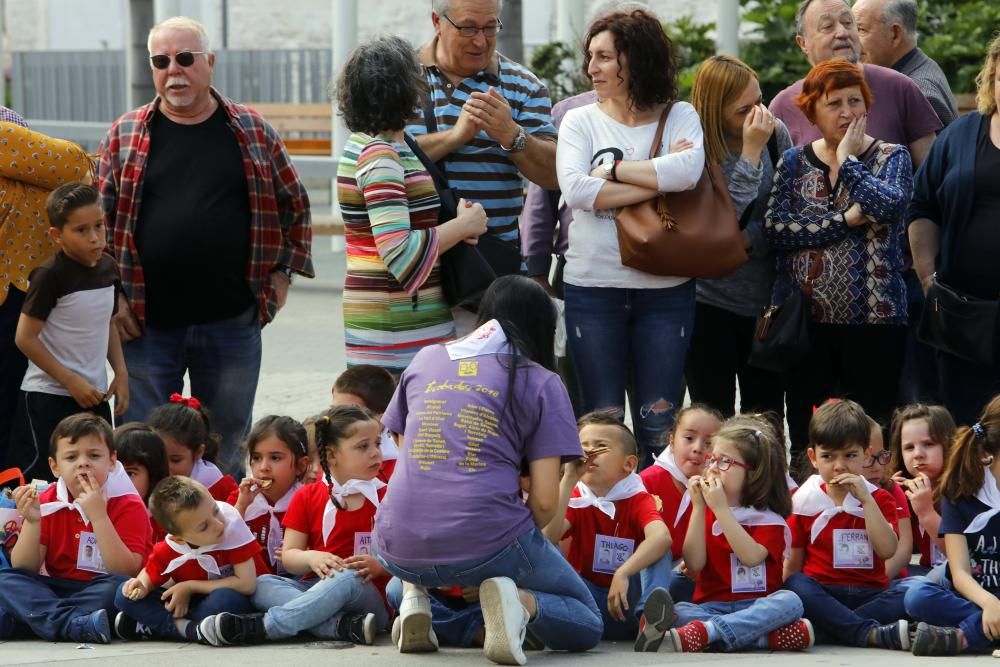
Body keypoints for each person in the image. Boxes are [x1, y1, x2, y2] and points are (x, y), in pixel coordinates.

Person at [98, 16, 314, 479]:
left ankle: (228, 538)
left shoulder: (252, 130)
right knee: (141, 445)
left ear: (209, 63)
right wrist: (111, 294)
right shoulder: (124, 134)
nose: (173, 71)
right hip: (144, 324)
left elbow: (294, 203)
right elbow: (101, 222)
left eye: (185, 58)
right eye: (161, 61)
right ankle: (145, 541)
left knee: (230, 443)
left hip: (231, 321)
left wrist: (282, 276)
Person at [373, 275, 602, 664]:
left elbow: (402, 443)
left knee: (403, 583)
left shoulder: (426, 358)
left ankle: (414, 597)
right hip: (488, 540)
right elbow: (545, 504)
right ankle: (520, 603)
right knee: (586, 620)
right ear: (541, 328)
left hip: (396, 545)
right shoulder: (542, 381)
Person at [556, 8, 705, 465]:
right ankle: (598, 523)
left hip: (665, 291)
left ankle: (658, 519)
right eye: (591, 57)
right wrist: (654, 179)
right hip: (592, 289)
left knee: (658, 423)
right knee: (600, 422)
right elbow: (576, 189)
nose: (592, 68)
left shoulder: (679, 114)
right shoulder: (579, 121)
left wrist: (614, 170)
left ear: (634, 61)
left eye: (604, 57)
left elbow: (689, 173)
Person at [764, 60, 913, 455]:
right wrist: (847, 219)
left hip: (875, 322)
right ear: (812, 110)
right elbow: (777, 230)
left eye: (855, 101)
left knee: (874, 431)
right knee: (806, 433)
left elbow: (887, 207)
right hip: (805, 324)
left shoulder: (892, 157)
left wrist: (848, 162)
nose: (847, 112)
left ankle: (878, 508)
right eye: (835, 103)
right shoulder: (794, 161)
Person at [336, 35, 488, 375]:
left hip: (397, 318)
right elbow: (399, 254)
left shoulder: (376, 144)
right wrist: (464, 225)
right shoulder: (381, 155)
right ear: (404, 88)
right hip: (397, 326)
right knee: (403, 422)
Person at [410, 0, 558, 334]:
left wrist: (512, 135)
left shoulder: (525, 86)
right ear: (437, 20)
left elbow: (552, 174)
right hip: (414, 276)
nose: (480, 40)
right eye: (468, 28)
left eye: (490, 27)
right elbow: (382, 157)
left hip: (489, 279)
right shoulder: (401, 80)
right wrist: (456, 136)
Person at [202, 406, 390, 647]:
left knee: (346, 577)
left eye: (377, 443)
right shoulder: (308, 496)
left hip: (366, 591)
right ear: (331, 456)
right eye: (363, 446)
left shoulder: (388, 497)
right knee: (262, 584)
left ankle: (263, 627)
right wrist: (312, 558)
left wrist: (380, 567)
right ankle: (341, 626)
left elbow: (408, 560)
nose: (376, 453)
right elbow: (290, 556)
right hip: (313, 585)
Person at [685, 55, 792, 419]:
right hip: (707, 303)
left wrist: (746, 240)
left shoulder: (776, 135)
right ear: (714, 111)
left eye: (760, 100)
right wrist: (749, 154)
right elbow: (712, 222)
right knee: (711, 417)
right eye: (743, 109)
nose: (758, 114)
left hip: (764, 306)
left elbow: (787, 212)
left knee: (764, 419)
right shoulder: (692, 148)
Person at [650, 422, 811, 653]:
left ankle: (709, 633)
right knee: (681, 611)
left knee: (790, 601)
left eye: (724, 461)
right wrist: (698, 508)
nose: (713, 468)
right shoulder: (706, 511)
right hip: (712, 606)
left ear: (753, 472)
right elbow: (694, 563)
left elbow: (750, 557)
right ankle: (762, 639)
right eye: (712, 459)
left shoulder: (768, 519)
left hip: (757, 605)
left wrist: (722, 511)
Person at [909, 35, 1000, 427]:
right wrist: (929, 278)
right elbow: (922, 205)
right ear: (992, 79)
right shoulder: (960, 135)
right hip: (963, 315)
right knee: (965, 428)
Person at [9, 183, 127, 482]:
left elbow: (108, 323)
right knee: (40, 483)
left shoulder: (110, 268)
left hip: (94, 395)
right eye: (81, 230)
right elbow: (24, 337)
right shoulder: (50, 276)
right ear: (56, 235)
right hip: (48, 397)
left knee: (96, 479)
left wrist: (121, 373)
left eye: (99, 226)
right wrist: (70, 381)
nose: (94, 237)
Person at [0, 414, 152, 644]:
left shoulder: (127, 502)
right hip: (56, 589)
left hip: (101, 589)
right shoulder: (49, 499)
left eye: (94, 455)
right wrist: (32, 522)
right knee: (6, 579)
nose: (83, 463)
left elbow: (125, 570)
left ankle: (35, 621)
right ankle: (72, 624)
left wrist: (99, 516)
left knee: (118, 589)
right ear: (55, 466)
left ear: (112, 460)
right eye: (71, 457)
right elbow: (24, 567)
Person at [0, 110, 92, 463]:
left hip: (25, 305)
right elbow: (74, 166)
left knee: (21, 422)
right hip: (25, 304)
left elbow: (74, 165)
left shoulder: (9, 138)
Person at [782, 400, 910, 650]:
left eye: (850, 455)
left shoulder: (879, 498)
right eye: (828, 456)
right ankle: (866, 632)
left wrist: (866, 500)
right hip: (823, 593)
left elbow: (887, 550)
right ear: (813, 457)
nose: (839, 465)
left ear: (865, 454)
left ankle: (834, 628)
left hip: (870, 593)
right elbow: (794, 563)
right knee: (795, 584)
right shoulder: (804, 501)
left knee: (912, 591)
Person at [542, 412, 671, 642]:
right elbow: (547, 539)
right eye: (583, 447)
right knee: (545, 552)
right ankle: (538, 619)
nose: (589, 453)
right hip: (587, 601)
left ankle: (650, 622)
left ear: (629, 464)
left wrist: (623, 572)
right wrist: (569, 478)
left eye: (600, 447)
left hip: (628, 600)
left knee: (660, 551)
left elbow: (661, 538)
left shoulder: (637, 497)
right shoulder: (575, 495)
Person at [769, 0, 940, 166]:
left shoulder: (900, 87)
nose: (842, 32)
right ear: (803, 43)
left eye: (848, 23)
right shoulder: (783, 106)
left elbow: (933, 180)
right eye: (828, 26)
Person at [902, 395, 1000, 655]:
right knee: (917, 596)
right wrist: (990, 604)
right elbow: (960, 573)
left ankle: (964, 637)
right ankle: (988, 627)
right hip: (975, 594)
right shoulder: (961, 490)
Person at [113, 477, 260, 643]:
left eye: (215, 510)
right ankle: (191, 629)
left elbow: (247, 584)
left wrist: (189, 587)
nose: (218, 524)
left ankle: (160, 627)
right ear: (179, 539)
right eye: (204, 526)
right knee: (122, 593)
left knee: (226, 599)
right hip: (183, 606)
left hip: (215, 602)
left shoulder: (231, 529)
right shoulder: (170, 548)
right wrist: (141, 586)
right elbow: (149, 575)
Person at [639, 404, 724, 603]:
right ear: (671, 441)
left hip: (688, 581)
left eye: (709, 443)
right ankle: (649, 613)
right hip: (642, 581)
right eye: (689, 438)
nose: (697, 448)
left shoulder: (721, 488)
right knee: (659, 546)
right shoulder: (647, 482)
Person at [852, 0, 958, 127]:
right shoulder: (921, 66)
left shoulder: (918, 94)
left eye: (860, 29)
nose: (851, 39)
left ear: (895, 34)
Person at [229, 415, 309, 574]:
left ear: (300, 466)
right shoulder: (239, 497)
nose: (264, 467)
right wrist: (241, 506)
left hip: (299, 581)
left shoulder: (309, 500)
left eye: (275, 458)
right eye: (257, 458)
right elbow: (222, 539)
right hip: (250, 581)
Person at [888, 404, 955, 576]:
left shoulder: (963, 489)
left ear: (948, 444)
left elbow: (964, 558)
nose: (918, 454)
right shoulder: (901, 490)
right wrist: (884, 501)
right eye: (909, 447)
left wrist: (926, 512)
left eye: (928, 444)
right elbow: (892, 553)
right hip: (924, 572)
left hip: (960, 575)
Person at [148, 394, 238, 502]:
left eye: (175, 460)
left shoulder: (216, 487)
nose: (165, 467)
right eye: (158, 458)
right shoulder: (143, 480)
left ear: (198, 452)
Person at [860, 417, 912, 580]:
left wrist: (875, 582)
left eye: (881, 455)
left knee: (918, 589)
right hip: (840, 584)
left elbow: (903, 550)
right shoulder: (817, 493)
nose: (877, 467)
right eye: (867, 459)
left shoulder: (892, 490)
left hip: (887, 582)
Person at [331, 364, 401, 480]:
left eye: (350, 414)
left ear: (382, 419)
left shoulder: (398, 468)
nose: (337, 419)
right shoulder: (323, 456)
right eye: (333, 410)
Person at [114, 422, 170, 542]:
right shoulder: (95, 513)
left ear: (153, 475)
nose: (119, 479)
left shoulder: (168, 524)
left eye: (130, 473)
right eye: (112, 472)